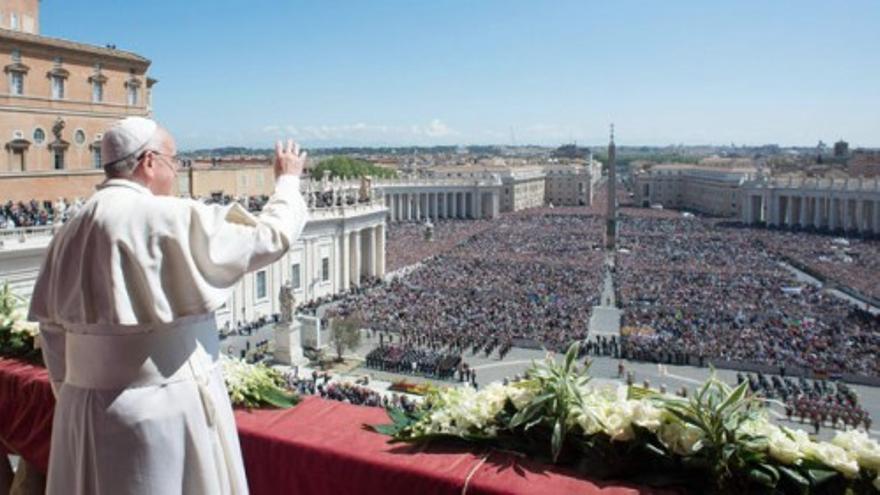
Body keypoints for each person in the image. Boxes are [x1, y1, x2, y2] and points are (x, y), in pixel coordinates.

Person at [28, 116, 308, 495]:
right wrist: (288, 181)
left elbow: (52, 332)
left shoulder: (69, 229)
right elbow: (269, 237)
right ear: (148, 161)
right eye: (174, 161)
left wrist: (78, 390)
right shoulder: (167, 216)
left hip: (81, 413)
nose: (176, 171)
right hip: (162, 413)